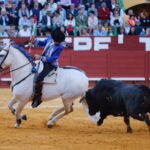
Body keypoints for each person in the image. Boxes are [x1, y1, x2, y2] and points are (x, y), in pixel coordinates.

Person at [31, 28, 65, 108]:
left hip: (50, 64)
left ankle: (38, 97)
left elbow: (53, 59)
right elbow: (42, 43)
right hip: (42, 60)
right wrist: (34, 40)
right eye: (57, 41)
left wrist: (40, 58)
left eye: (58, 42)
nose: (57, 43)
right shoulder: (50, 38)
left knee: (39, 78)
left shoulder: (60, 47)